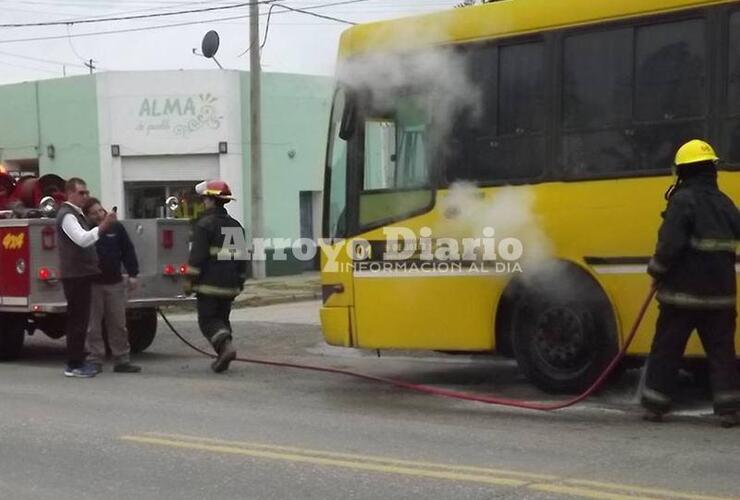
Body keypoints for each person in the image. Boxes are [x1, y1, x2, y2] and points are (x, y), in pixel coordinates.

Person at [642, 139, 740, 427]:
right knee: (722, 353)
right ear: (712, 170)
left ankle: (655, 407)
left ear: (683, 171)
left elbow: (670, 244)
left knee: (667, 349)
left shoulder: (682, 200)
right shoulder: (725, 203)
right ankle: (729, 410)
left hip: (682, 297)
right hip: (721, 298)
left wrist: (656, 270)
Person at [184, 180, 247, 373]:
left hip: (208, 286)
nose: (203, 202)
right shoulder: (235, 226)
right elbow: (241, 259)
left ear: (211, 200)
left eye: (204, 198)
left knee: (208, 321)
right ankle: (223, 355)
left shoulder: (204, 225)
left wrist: (188, 282)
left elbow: (197, 258)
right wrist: (240, 281)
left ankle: (226, 348)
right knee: (222, 319)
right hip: (230, 286)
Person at [56, 178, 116, 378]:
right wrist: (103, 226)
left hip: (81, 274)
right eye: (81, 193)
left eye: (86, 192)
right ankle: (74, 364)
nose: (85, 196)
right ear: (70, 193)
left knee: (80, 319)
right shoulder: (67, 216)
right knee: (77, 321)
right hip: (75, 275)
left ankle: (77, 361)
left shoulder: (76, 214)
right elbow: (82, 240)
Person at [82, 198, 142, 374]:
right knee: (93, 325)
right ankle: (94, 359)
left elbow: (128, 250)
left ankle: (122, 359)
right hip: (92, 284)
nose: (100, 215)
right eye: (94, 213)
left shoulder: (116, 227)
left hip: (114, 282)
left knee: (118, 323)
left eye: (101, 211)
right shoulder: (86, 232)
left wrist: (133, 274)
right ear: (87, 216)